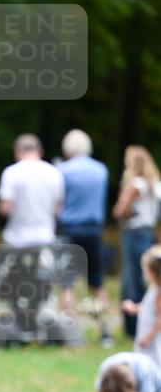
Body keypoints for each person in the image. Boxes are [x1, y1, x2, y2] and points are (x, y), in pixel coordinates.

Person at [57, 129, 112, 345]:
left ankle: (71, 334)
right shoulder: (101, 170)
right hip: (94, 230)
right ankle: (104, 331)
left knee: (66, 283)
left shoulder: (63, 170)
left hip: (70, 230)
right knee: (97, 282)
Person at [113, 145, 161, 338]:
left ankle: (133, 325)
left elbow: (119, 210)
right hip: (148, 232)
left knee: (131, 280)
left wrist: (125, 210)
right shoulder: (155, 184)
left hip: (133, 233)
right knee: (151, 277)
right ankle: (152, 320)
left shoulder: (135, 184)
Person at [0, 133, 64, 247]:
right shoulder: (55, 173)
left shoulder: (11, 172)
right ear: (40, 151)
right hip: (45, 237)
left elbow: (4, 208)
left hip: (16, 239)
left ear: (17, 152)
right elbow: (57, 209)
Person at [121, 245, 161, 369]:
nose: (144, 273)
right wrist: (133, 308)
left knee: (151, 365)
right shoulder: (153, 289)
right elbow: (148, 308)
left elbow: (160, 319)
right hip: (144, 333)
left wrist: (148, 338)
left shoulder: (159, 294)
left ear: (154, 272)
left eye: (145, 270)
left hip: (150, 339)